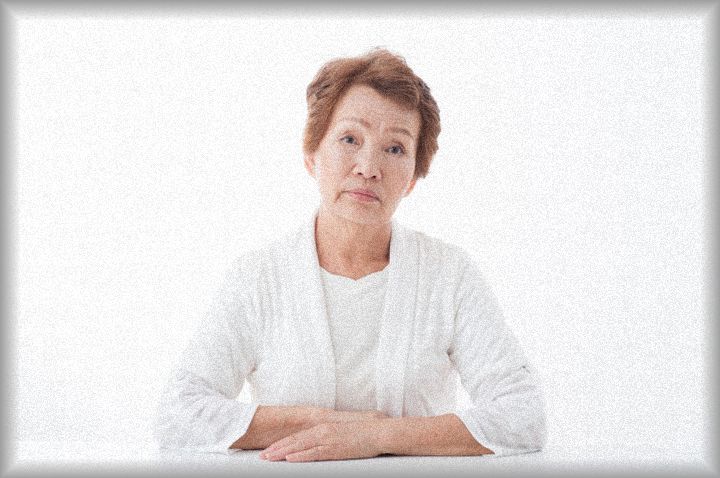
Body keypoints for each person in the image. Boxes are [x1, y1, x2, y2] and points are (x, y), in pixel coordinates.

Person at [153, 48, 547, 462]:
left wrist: (378, 437)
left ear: (413, 177)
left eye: (395, 149)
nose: (368, 167)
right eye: (349, 139)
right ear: (312, 155)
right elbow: (179, 413)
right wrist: (324, 425)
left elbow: (523, 415)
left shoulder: (449, 276)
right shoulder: (259, 277)